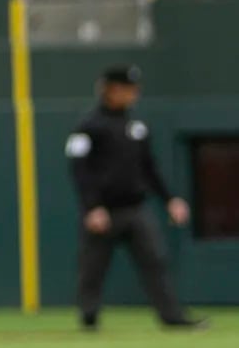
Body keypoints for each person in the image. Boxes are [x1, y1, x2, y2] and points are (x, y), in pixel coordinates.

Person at [68, 64, 203, 332]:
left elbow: (149, 168)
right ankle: (89, 317)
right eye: (127, 89)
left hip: (135, 208)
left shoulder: (136, 126)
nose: (133, 94)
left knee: (155, 261)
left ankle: (172, 316)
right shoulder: (88, 126)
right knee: (93, 268)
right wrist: (92, 207)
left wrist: (169, 199)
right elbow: (79, 170)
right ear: (110, 90)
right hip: (104, 210)